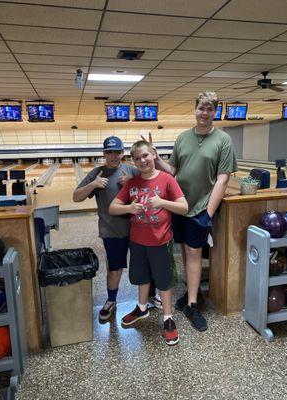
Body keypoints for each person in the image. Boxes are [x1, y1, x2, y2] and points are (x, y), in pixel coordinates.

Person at [144, 92, 237, 332]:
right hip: (179, 205)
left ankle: (192, 305)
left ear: (214, 112)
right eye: (200, 108)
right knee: (185, 251)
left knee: (194, 253)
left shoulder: (223, 140)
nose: (204, 113)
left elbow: (222, 180)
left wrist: (208, 213)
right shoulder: (183, 138)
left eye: (209, 109)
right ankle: (191, 292)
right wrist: (156, 159)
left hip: (200, 208)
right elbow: (173, 169)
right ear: (194, 109)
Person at [109, 140, 188, 346]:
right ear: (133, 162)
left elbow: (184, 207)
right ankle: (142, 309)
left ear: (153, 154)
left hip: (161, 241)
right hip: (137, 242)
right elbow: (113, 208)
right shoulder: (132, 183)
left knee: (164, 281)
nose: (142, 160)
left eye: (145, 155)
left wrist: (162, 203)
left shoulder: (167, 179)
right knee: (142, 278)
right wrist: (129, 209)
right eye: (137, 158)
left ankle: (168, 319)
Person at [73, 136, 138, 322]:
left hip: (138, 229)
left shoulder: (131, 170)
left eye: (117, 152)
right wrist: (93, 184)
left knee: (144, 265)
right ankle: (111, 300)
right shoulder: (97, 173)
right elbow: (76, 197)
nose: (114, 156)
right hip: (112, 231)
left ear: (122, 153)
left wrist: (132, 182)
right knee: (114, 269)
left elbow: (151, 185)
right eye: (109, 152)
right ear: (104, 154)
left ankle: (148, 297)